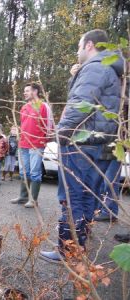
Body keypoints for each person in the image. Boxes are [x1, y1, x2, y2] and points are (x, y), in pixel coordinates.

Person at [40, 29, 124, 263]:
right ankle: (78, 250)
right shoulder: (112, 70)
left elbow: (79, 103)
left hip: (81, 144)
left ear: (89, 45)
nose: (77, 53)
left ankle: (67, 252)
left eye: (78, 47)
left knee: (72, 198)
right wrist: (74, 78)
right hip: (99, 143)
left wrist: (61, 133)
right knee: (87, 198)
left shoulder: (96, 67)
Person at [10, 82, 53, 208]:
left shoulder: (43, 106)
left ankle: (33, 200)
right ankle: (23, 197)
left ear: (35, 92)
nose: (25, 93)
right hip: (23, 144)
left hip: (36, 144)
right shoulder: (24, 107)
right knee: (24, 172)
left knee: (35, 172)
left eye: (27, 90)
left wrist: (46, 140)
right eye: (24, 91)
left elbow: (49, 124)